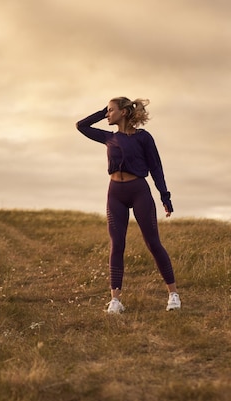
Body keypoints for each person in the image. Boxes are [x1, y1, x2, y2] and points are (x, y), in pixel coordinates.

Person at [76, 97, 180, 313]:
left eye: (111, 111)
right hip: (115, 194)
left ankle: (173, 295)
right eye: (106, 111)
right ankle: (115, 300)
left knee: (153, 243)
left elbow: (156, 168)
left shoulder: (143, 138)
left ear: (123, 112)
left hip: (139, 191)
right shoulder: (108, 137)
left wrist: (165, 196)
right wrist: (103, 110)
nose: (107, 115)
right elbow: (81, 126)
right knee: (117, 245)